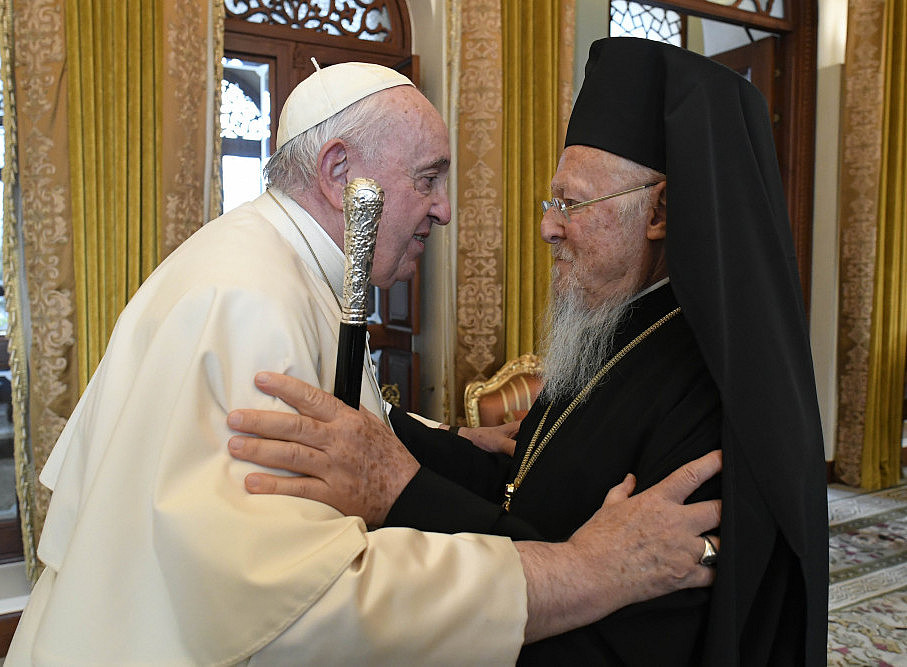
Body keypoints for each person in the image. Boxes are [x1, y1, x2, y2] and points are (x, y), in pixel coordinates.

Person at [7, 60, 722, 665]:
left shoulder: (268, 263)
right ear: (338, 170)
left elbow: (338, 414)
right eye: (429, 177)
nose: (443, 210)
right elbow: (306, 600)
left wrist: (436, 444)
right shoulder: (250, 301)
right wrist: (582, 571)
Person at [226, 38, 828, 665]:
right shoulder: (604, 329)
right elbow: (520, 487)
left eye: (571, 203)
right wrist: (384, 428)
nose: (547, 225)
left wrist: (400, 486)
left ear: (661, 212)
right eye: (551, 201)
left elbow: (646, 615)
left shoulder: (709, 392)